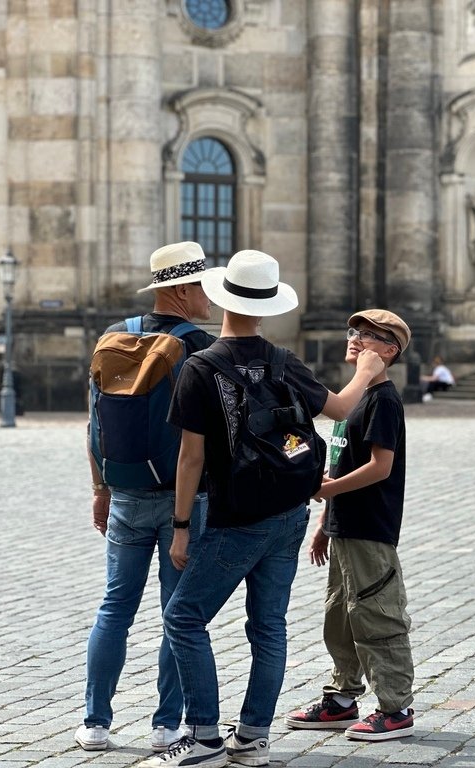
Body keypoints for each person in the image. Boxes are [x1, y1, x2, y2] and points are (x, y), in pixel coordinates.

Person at [138, 250, 385, 768]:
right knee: (268, 626)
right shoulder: (281, 360)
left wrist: (181, 528)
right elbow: (340, 407)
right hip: (290, 513)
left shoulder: (201, 367)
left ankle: (204, 738)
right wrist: (366, 370)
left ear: (222, 295)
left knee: (183, 618)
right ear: (268, 304)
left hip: (238, 517)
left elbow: (191, 459)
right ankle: (252, 739)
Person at [76, 241, 216, 753]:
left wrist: (100, 490)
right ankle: (165, 725)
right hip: (184, 501)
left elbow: (94, 425)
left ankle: (95, 724)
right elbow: (207, 443)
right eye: (201, 285)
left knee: (115, 607)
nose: (209, 295)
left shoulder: (112, 338)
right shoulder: (201, 347)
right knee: (177, 613)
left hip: (126, 495)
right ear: (180, 290)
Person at [285, 309, 416, 742]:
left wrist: (331, 489)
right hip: (345, 525)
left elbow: (381, 467)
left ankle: (396, 708)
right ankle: (342, 698)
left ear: (390, 351)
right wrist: (326, 520)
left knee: (377, 616)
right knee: (340, 618)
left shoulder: (383, 400)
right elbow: (342, 458)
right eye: (355, 331)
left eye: (370, 336)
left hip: (371, 528)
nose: (356, 339)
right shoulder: (353, 396)